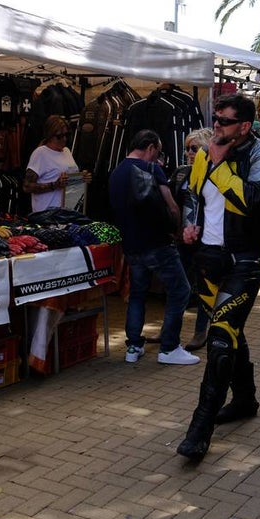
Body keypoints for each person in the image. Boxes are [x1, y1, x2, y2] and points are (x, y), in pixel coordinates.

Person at [176, 94, 260, 462]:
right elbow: (193, 194)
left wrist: (220, 166)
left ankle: (199, 428)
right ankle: (246, 399)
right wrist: (191, 224)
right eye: (215, 118)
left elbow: (253, 202)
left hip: (245, 261)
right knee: (231, 332)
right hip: (208, 259)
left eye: (225, 120)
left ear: (244, 126)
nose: (216, 125)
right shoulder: (205, 154)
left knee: (220, 340)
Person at [108, 130, 200, 366]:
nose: (157, 157)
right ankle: (169, 347)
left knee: (138, 293)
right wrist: (178, 230)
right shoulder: (152, 169)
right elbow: (171, 206)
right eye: (157, 152)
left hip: (131, 245)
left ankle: (133, 346)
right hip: (158, 243)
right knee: (180, 290)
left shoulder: (116, 173)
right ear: (150, 147)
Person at [172, 127, 214, 352]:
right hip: (182, 238)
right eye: (187, 148)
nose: (189, 152)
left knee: (203, 286)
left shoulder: (214, 173)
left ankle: (201, 331)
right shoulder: (181, 172)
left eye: (194, 148)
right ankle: (170, 329)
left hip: (206, 238)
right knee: (179, 283)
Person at [23, 115, 89, 212]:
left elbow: (69, 181)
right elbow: (27, 186)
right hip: (47, 215)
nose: (64, 139)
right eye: (59, 136)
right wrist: (55, 185)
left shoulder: (66, 151)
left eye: (67, 135)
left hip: (67, 213)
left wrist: (82, 179)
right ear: (50, 136)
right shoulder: (41, 153)